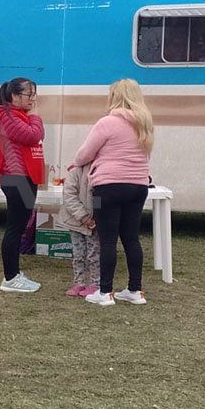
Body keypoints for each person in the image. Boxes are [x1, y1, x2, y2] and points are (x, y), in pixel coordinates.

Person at [73, 79, 154, 307]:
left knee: (107, 239)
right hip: (138, 186)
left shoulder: (107, 122)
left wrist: (77, 163)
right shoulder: (145, 124)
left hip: (107, 186)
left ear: (115, 97)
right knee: (131, 238)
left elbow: (84, 154)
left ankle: (105, 291)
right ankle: (135, 290)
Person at [0, 77, 45, 293]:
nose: (32, 99)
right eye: (28, 95)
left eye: (34, 95)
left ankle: (14, 273)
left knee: (19, 226)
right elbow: (33, 135)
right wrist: (35, 116)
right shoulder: (7, 116)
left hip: (25, 176)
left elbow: (36, 135)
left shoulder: (18, 115)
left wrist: (32, 117)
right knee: (15, 228)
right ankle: (10, 278)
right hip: (16, 177)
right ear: (14, 96)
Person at [57, 163, 99, 297]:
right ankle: (79, 282)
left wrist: (96, 217)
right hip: (76, 221)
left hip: (95, 222)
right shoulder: (75, 172)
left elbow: (100, 196)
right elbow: (69, 196)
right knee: (78, 254)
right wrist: (84, 217)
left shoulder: (101, 170)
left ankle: (95, 283)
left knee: (94, 255)